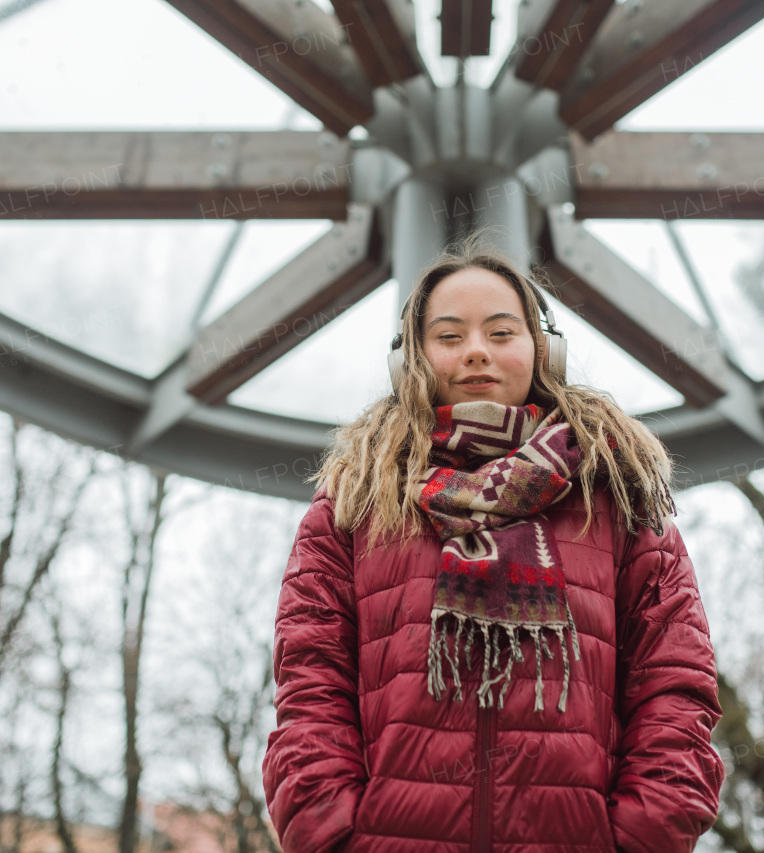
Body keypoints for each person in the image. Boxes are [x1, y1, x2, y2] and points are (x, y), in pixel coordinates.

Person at [262, 233, 725, 853]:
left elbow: (676, 683)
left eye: (502, 333)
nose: (476, 352)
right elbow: (310, 684)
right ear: (414, 360)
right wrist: (333, 831)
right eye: (449, 337)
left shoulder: (615, 494)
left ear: (543, 352)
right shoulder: (354, 504)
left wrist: (642, 836)